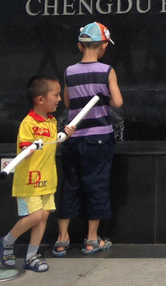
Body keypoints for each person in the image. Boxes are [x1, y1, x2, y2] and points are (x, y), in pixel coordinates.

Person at [54, 22, 123, 257]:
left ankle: (62, 239)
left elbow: (66, 102)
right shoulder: (106, 71)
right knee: (97, 184)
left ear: (80, 46)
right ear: (103, 45)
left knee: (70, 185)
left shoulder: (69, 71)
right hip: (99, 138)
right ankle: (92, 239)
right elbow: (117, 102)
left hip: (73, 138)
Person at [0, 75, 74, 273]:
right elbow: (24, 147)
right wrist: (30, 147)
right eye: (55, 95)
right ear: (40, 99)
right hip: (29, 180)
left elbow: (52, 141)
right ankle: (6, 241)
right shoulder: (28, 123)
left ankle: (31, 256)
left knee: (44, 216)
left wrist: (64, 135)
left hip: (47, 179)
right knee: (35, 216)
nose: (59, 99)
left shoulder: (51, 120)